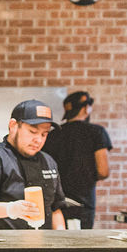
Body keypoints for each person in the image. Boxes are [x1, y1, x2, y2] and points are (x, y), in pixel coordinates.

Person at [0, 99, 66, 230]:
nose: (39, 140)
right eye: (33, 132)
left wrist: (61, 240)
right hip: (0, 247)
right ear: (13, 126)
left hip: (41, 246)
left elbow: (55, 209)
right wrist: (11, 209)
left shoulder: (48, 161)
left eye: (44, 134)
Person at [42, 91, 112, 229]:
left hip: (54, 204)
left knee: (56, 245)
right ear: (86, 108)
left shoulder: (52, 135)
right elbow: (103, 171)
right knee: (78, 247)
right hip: (83, 204)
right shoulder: (96, 132)